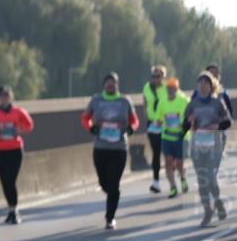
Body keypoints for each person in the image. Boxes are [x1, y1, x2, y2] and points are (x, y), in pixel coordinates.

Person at [81, 72, 139, 230]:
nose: (110, 85)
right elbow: (85, 117)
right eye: (108, 82)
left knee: (114, 185)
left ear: (117, 85)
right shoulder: (96, 100)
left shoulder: (124, 101)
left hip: (119, 148)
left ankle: (110, 217)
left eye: (113, 83)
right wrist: (91, 127)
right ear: (104, 85)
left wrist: (131, 128)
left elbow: (134, 120)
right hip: (100, 147)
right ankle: (111, 193)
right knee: (103, 183)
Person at [184, 71, 232, 226]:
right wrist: (188, 123)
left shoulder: (217, 103)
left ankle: (217, 201)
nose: (203, 85)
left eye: (206, 82)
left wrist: (216, 126)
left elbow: (228, 122)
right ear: (197, 86)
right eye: (200, 82)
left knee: (210, 177)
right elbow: (183, 127)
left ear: (211, 86)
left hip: (214, 145)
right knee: (201, 179)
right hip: (197, 146)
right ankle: (207, 210)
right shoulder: (192, 104)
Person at [0, 85, 34, 224]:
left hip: (15, 149)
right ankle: (11, 209)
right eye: (2, 95)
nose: (4, 98)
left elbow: (30, 125)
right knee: (5, 181)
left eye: (7, 95)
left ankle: (14, 210)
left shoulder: (18, 112)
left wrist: (20, 130)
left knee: (11, 180)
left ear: (11, 96)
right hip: (0, 150)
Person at [154, 79, 190, 198]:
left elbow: (191, 115)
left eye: (173, 88)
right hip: (167, 136)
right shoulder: (162, 102)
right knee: (168, 161)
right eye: (168, 88)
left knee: (179, 163)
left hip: (181, 136)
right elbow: (158, 119)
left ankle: (183, 178)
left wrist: (184, 124)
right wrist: (158, 123)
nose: (170, 90)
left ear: (177, 89)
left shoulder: (183, 100)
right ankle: (173, 187)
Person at [142, 65, 168, 193]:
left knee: (168, 153)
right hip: (152, 125)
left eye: (158, 76)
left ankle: (173, 176)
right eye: (153, 76)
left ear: (163, 77)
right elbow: (145, 105)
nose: (155, 79)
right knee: (156, 153)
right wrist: (150, 119)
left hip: (166, 124)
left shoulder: (168, 88)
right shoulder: (147, 88)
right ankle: (156, 182)